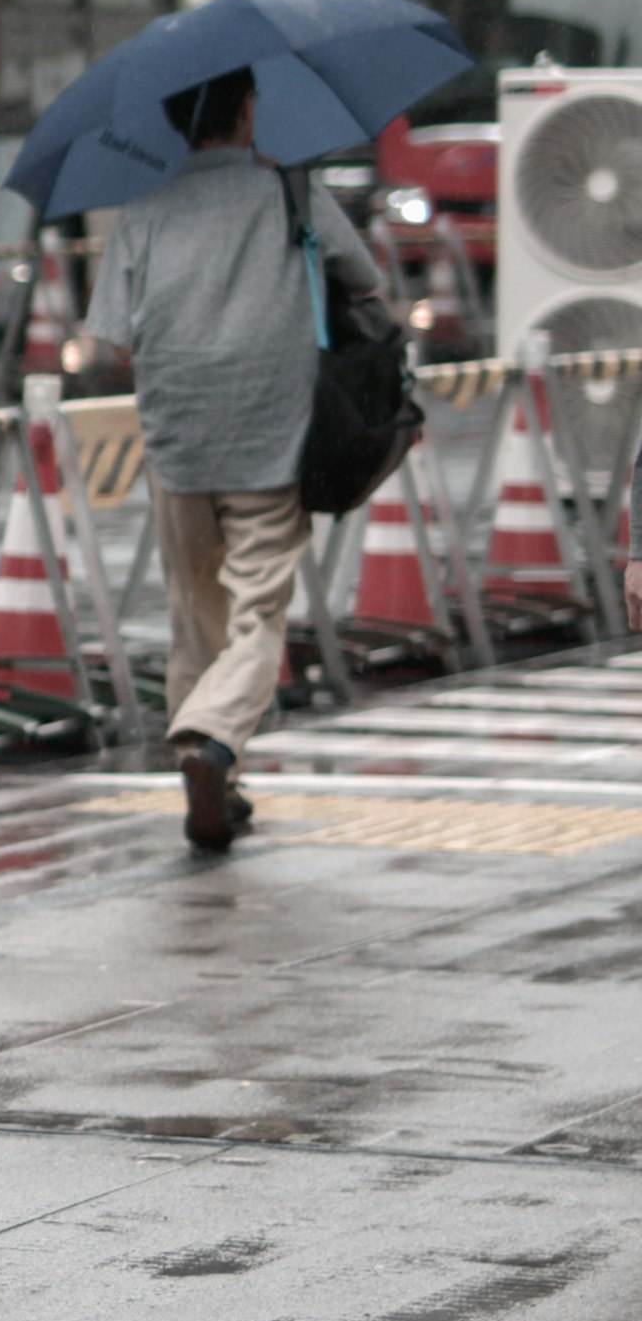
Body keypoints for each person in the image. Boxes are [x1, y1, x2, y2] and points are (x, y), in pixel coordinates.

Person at [84, 67, 382, 852]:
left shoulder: (143, 209)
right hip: (271, 434)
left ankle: (215, 769)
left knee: (195, 612)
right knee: (257, 615)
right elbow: (367, 284)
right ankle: (211, 742)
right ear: (247, 109)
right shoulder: (290, 194)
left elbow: (112, 335)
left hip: (177, 436)